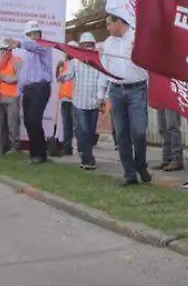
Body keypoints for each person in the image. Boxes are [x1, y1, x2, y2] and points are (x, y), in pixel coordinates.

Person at [102, 12, 151, 186]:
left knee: (139, 132)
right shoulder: (108, 44)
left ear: (119, 22)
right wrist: (102, 94)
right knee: (121, 134)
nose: (107, 28)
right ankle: (129, 173)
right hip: (116, 90)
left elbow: (150, 62)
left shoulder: (137, 37)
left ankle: (140, 164)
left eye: (109, 24)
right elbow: (104, 70)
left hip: (137, 89)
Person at [60, 32, 109, 170]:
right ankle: (89, 159)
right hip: (79, 103)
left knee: (90, 132)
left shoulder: (100, 61)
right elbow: (69, 75)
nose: (87, 47)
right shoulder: (75, 61)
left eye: (90, 45)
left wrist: (101, 98)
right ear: (80, 46)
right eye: (84, 45)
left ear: (93, 46)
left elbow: (103, 80)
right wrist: (62, 77)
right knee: (84, 130)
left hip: (94, 103)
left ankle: (85, 155)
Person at [8, 20, 54, 164]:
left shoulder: (44, 45)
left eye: (35, 33)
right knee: (28, 121)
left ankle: (41, 155)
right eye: (30, 34)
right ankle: (34, 154)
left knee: (34, 119)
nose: (33, 36)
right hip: (28, 89)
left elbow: (34, 46)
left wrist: (20, 44)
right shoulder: (27, 54)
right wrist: (18, 92)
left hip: (41, 87)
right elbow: (24, 75)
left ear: (39, 34)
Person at [0, 38, 22, 153]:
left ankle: (15, 146)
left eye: (3, 50)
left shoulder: (17, 61)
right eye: (0, 50)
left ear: (9, 50)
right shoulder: (0, 63)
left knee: (13, 123)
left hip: (12, 97)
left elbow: (19, 78)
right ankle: (4, 146)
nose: (2, 52)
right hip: (1, 97)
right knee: (3, 125)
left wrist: (4, 78)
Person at [56, 58, 76, 156]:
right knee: (66, 125)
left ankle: (82, 148)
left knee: (76, 125)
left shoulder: (76, 64)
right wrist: (58, 69)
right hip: (64, 98)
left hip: (74, 99)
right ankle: (67, 147)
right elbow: (59, 79)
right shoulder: (63, 65)